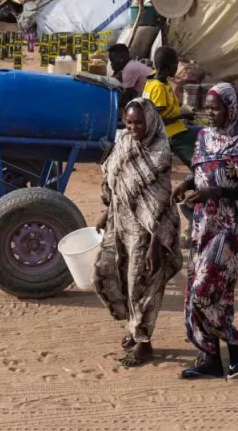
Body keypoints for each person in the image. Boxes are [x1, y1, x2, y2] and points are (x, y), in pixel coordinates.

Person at [174, 83, 238, 380]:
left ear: (231, 109)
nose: (210, 113)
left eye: (217, 108)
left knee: (203, 291)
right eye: (208, 108)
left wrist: (215, 192)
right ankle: (210, 359)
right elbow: (200, 170)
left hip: (229, 227)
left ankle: (235, 344)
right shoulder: (203, 137)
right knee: (216, 293)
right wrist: (187, 183)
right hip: (203, 225)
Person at [92, 98, 183, 368]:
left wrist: (155, 245)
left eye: (138, 123)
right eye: (128, 122)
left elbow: (161, 203)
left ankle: (144, 342)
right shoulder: (124, 142)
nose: (132, 128)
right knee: (109, 274)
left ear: (150, 122)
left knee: (140, 285)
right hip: (119, 223)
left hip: (146, 231)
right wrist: (106, 213)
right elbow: (115, 179)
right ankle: (133, 328)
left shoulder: (159, 153)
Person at [143, 46, 195, 166]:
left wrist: (186, 109)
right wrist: (182, 115)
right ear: (172, 66)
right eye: (176, 65)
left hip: (175, 128)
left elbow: (170, 105)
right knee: (195, 157)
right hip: (169, 133)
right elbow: (157, 121)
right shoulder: (159, 88)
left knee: (201, 133)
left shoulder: (158, 79)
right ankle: (198, 171)